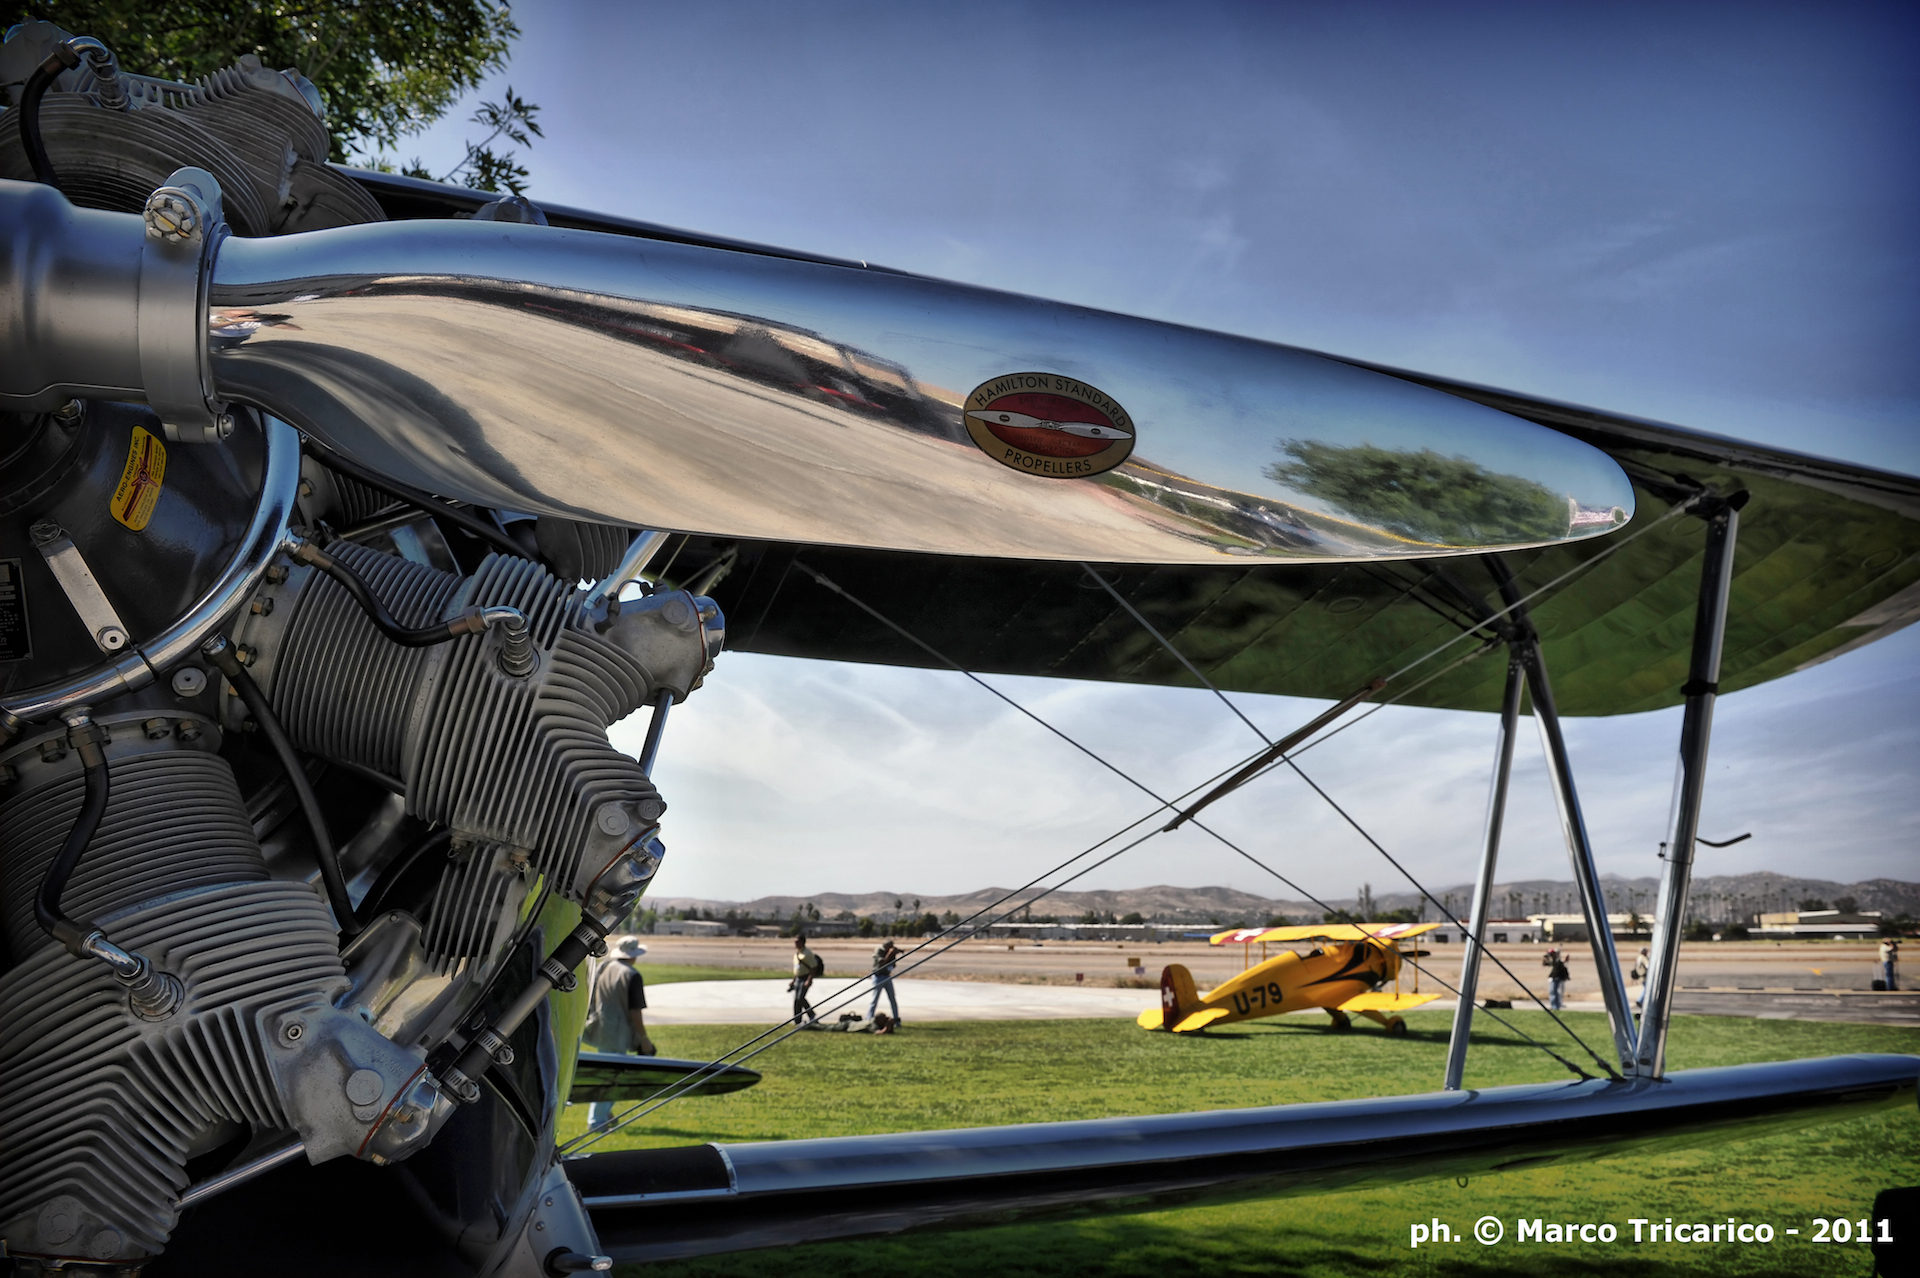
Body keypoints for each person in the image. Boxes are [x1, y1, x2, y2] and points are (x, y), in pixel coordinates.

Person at [582, 936, 654, 1130]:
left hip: (601, 1028)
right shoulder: (632, 975)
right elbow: (635, 1011)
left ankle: (604, 1114)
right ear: (634, 955)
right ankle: (597, 1121)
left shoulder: (604, 967)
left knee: (608, 1074)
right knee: (611, 1078)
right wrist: (643, 1038)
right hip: (618, 1033)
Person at [789, 933, 825, 1025]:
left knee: (800, 998)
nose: (795, 944)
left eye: (797, 942)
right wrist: (793, 980)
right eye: (794, 942)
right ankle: (797, 1020)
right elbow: (797, 969)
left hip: (805, 978)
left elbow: (813, 967)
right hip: (798, 978)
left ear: (802, 942)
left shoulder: (807, 954)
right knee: (796, 1000)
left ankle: (812, 1015)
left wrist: (809, 980)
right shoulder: (797, 954)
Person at [869, 937, 903, 1029]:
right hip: (878, 976)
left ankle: (896, 1019)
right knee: (874, 999)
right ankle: (869, 1018)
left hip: (887, 976)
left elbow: (893, 965)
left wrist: (894, 955)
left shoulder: (890, 952)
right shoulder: (879, 950)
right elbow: (882, 963)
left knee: (892, 999)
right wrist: (890, 954)